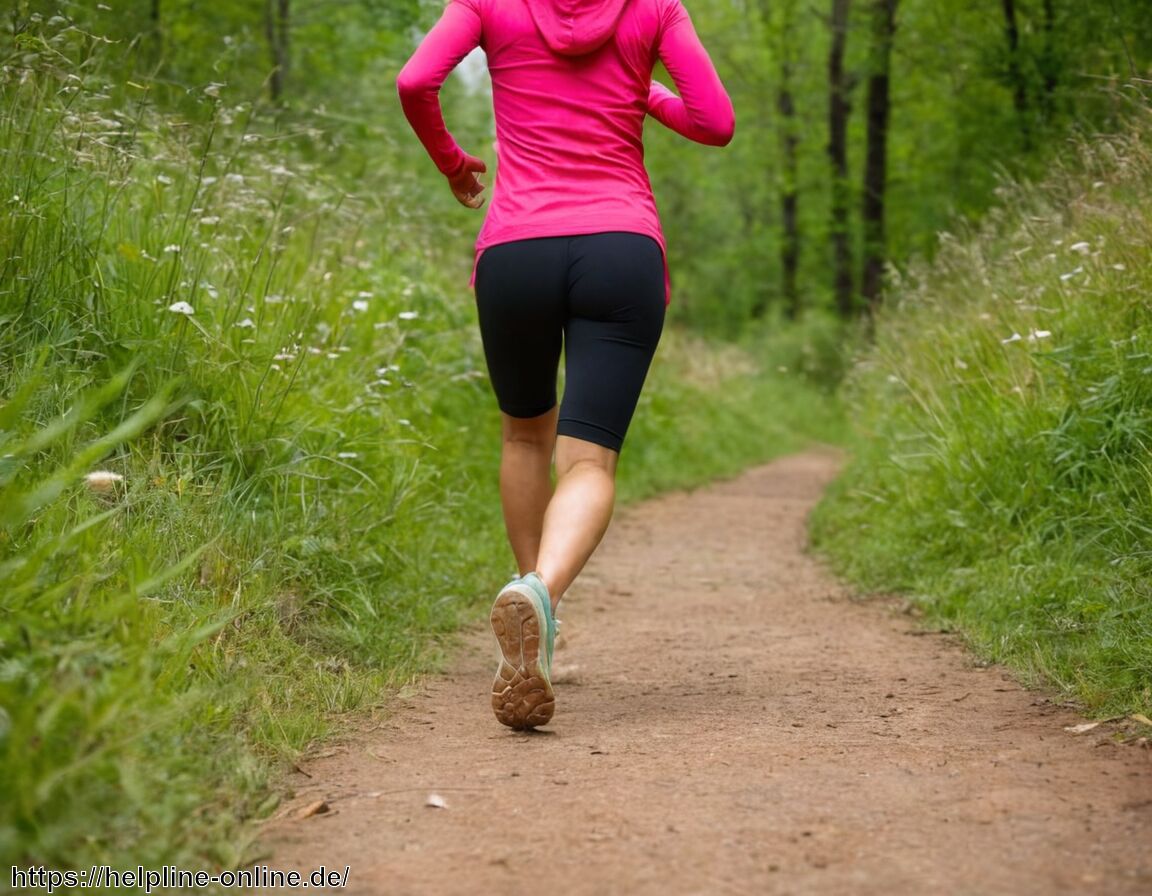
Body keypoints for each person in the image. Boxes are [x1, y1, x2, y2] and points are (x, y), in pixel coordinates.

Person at [397, 0, 733, 730]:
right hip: (620, 246)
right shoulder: (654, 9)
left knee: (524, 435)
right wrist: (643, 92)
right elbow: (715, 121)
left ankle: (531, 606)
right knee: (589, 462)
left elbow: (415, 80)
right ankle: (542, 596)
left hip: (516, 249)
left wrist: (455, 165)